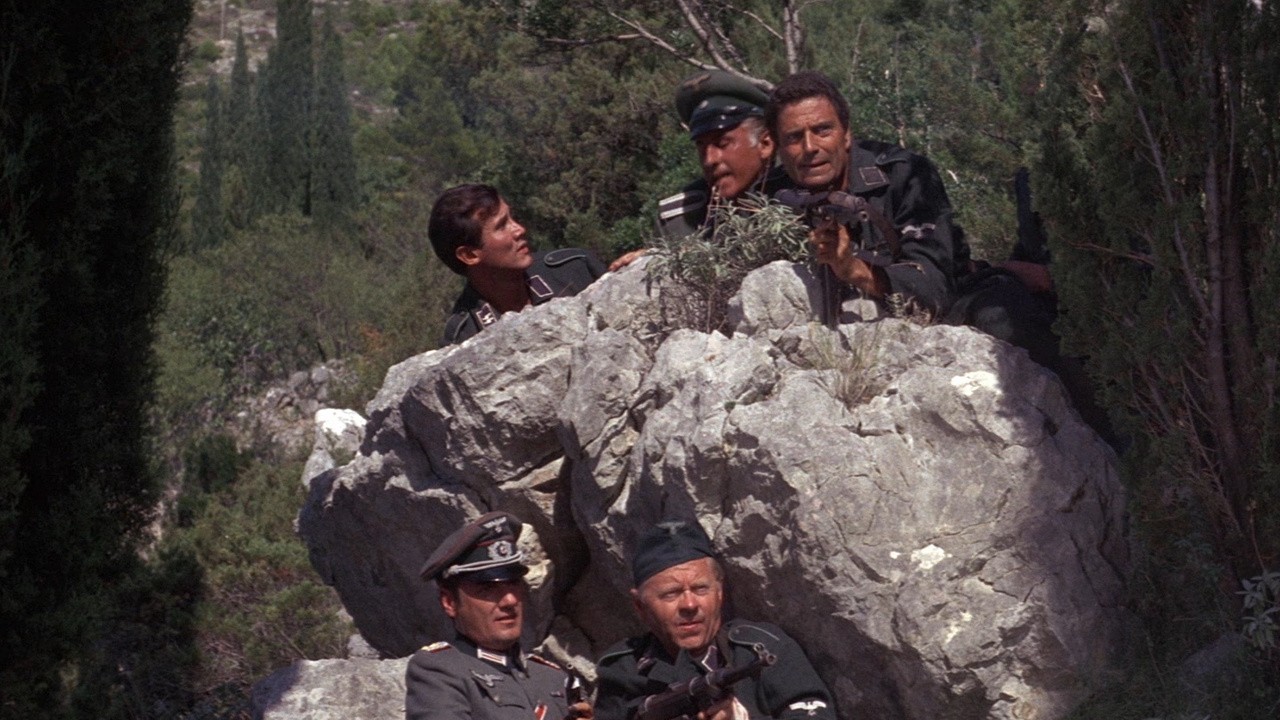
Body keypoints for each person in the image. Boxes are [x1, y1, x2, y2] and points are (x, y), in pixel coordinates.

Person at [765, 70, 971, 316]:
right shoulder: (770, 196)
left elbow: (935, 289)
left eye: (822, 130)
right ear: (778, 146)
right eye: (794, 137)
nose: (810, 147)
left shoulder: (904, 176)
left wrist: (854, 269)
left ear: (846, 134)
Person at [595, 521, 836, 720]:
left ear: (719, 593)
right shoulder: (623, 670)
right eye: (671, 594)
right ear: (640, 606)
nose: (690, 605)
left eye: (701, 589)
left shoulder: (760, 650)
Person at [406, 511, 592, 720]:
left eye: (513, 583)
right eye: (487, 589)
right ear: (449, 602)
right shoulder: (439, 671)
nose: (510, 600)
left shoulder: (553, 678)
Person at [609, 70, 788, 271]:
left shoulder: (799, 200)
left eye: (722, 143)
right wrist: (650, 261)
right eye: (701, 147)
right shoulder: (682, 219)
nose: (710, 159)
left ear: (765, 143)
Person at [430, 184, 605, 345]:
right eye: (501, 226)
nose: (519, 229)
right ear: (469, 255)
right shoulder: (464, 339)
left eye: (511, 218)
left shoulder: (576, 269)